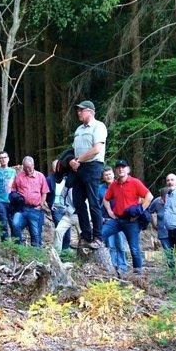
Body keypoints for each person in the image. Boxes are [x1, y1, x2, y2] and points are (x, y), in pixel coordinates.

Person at [101, 160, 152, 274]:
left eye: (123, 167)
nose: (120, 169)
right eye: (118, 167)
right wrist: (109, 211)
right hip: (117, 220)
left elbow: (149, 196)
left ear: (127, 169)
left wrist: (139, 212)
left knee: (134, 249)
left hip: (131, 221)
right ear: (116, 170)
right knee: (100, 235)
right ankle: (102, 267)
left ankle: (138, 274)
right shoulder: (114, 185)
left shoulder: (135, 182)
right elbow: (106, 198)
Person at [68, 101, 107, 249]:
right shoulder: (78, 129)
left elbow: (96, 149)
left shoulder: (99, 126)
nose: (78, 113)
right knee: (78, 202)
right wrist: (72, 161)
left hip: (92, 166)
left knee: (93, 202)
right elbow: (73, 149)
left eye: (81, 110)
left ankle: (98, 237)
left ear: (90, 111)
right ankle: (85, 235)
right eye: (78, 110)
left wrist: (79, 159)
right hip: (78, 168)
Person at [9, 156, 49, 247]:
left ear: (33, 165)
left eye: (29, 168)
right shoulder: (19, 176)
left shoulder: (40, 176)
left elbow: (44, 192)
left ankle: (35, 253)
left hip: (35, 209)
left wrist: (40, 205)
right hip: (21, 208)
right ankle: (19, 248)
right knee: (15, 224)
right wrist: (16, 198)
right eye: (25, 168)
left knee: (35, 233)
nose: (28, 170)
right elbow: (13, 191)